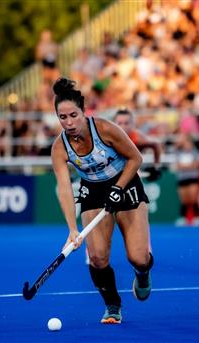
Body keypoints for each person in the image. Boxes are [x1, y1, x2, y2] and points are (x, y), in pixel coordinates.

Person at [50, 78, 154, 324]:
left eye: (73, 115)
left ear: (83, 111)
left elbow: (136, 159)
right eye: (62, 118)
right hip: (93, 191)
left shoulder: (105, 129)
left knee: (138, 257)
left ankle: (142, 273)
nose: (69, 123)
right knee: (97, 258)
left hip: (126, 183)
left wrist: (118, 187)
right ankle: (112, 305)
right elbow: (64, 189)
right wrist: (72, 229)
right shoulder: (59, 148)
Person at [113, 108, 163, 182]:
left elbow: (156, 145)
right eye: (119, 123)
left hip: (132, 176)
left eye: (126, 123)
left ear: (133, 124)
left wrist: (156, 167)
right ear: (113, 124)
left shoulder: (137, 138)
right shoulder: (109, 138)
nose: (123, 126)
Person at [173, 133, 199, 226]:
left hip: (193, 178)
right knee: (184, 200)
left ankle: (197, 218)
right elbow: (178, 165)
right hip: (182, 178)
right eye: (185, 142)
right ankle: (183, 218)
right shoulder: (179, 152)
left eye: (188, 142)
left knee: (193, 198)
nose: (186, 144)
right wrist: (188, 166)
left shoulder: (195, 152)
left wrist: (184, 166)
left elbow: (196, 165)